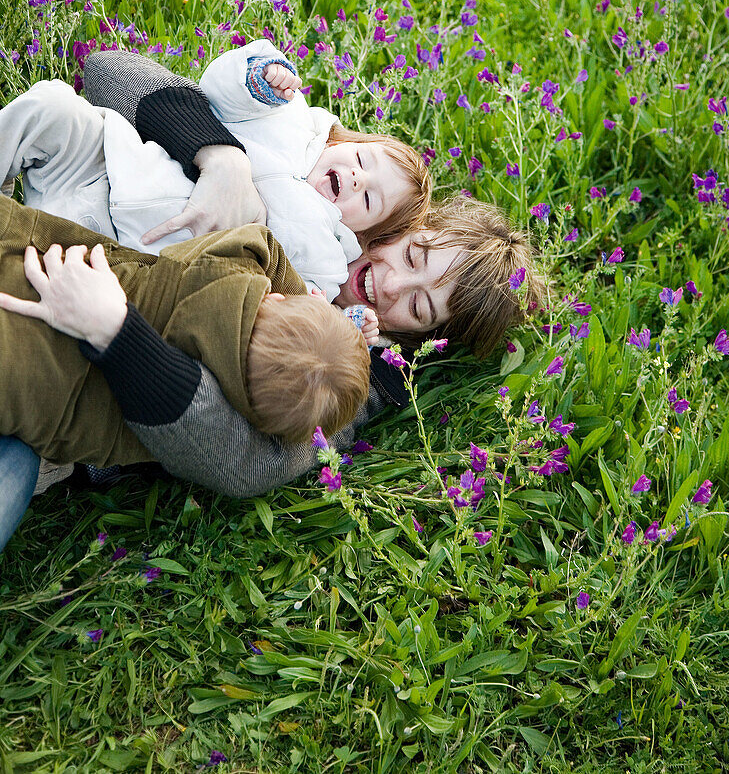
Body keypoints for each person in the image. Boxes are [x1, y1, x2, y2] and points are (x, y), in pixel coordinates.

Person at [0, 49, 542, 551]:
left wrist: (118, 335)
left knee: (14, 468)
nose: (392, 285)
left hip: (73, 361)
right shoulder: (316, 180)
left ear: (425, 338)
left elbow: (245, 463)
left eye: (419, 308)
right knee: (52, 109)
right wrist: (222, 161)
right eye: (414, 257)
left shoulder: (353, 373)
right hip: (84, 211)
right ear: (409, 226)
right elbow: (110, 72)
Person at [4, 37, 431, 303]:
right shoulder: (290, 120)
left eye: (369, 199)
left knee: (37, 284)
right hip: (113, 168)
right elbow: (218, 93)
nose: (358, 179)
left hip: (129, 252)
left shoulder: (327, 251)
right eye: (362, 160)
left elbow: (300, 299)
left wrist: (334, 318)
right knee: (51, 106)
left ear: (362, 233)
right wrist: (260, 78)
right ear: (346, 142)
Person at [0, 196, 370, 464]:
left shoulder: (221, 269)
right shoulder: (194, 419)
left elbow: (262, 241)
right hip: (25, 384)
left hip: (36, 259)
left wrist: (299, 296)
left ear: (275, 300)